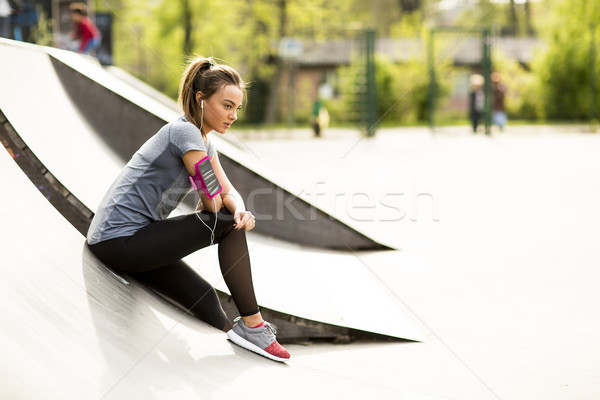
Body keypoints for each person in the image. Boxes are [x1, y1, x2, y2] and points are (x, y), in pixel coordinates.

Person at [86, 57, 291, 362]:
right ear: (201, 99)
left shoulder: (204, 142)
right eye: (226, 105)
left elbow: (227, 190)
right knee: (223, 222)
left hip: (133, 240)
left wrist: (240, 210)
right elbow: (211, 197)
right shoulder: (185, 133)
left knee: (206, 299)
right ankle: (254, 326)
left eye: (237, 108)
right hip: (118, 239)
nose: (233, 115)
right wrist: (227, 211)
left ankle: (243, 342)